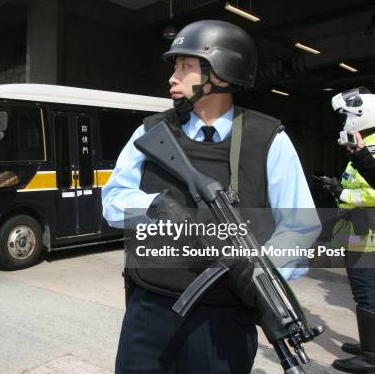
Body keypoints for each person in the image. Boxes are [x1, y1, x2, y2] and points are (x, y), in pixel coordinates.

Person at [102, 20, 320, 374]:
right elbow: (112, 201)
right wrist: (155, 206)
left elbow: (300, 223)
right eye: (175, 67)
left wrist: (260, 272)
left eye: (185, 67)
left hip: (224, 320)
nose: (172, 77)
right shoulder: (151, 132)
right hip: (149, 310)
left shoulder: (268, 138)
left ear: (220, 74)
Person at [317, 87, 375, 373]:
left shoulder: (371, 147)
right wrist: (339, 188)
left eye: (347, 116)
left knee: (367, 293)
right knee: (365, 292)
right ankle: (369, 344)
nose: (344, 123)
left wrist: (343, 195)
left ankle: (371, 357)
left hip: (369, 234)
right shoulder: (365, 145)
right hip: (360, 229)